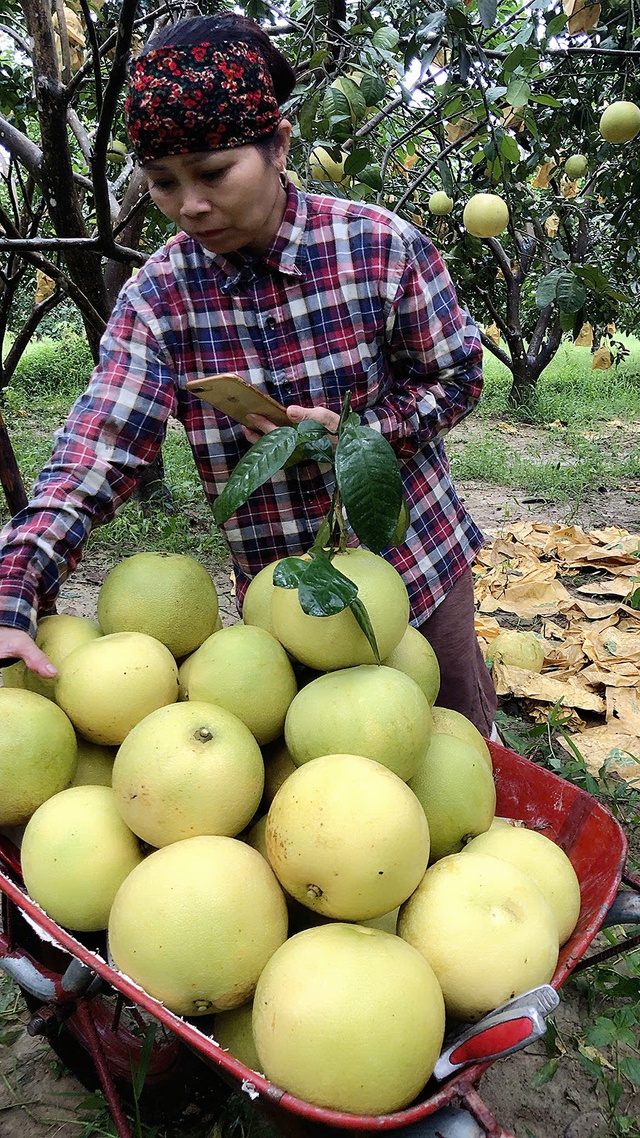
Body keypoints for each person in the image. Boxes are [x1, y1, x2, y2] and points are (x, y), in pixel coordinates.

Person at [0, 13, 497, 736]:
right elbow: (97, 449)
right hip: (280, 602)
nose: (189, 206)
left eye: (212, 173)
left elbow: (457, 378)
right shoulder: (160, 299)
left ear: (279, 145)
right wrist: (15, 583)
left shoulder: (379, 249)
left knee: (456, 747)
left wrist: (363, 434)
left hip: (416, 566)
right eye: (162, 182)